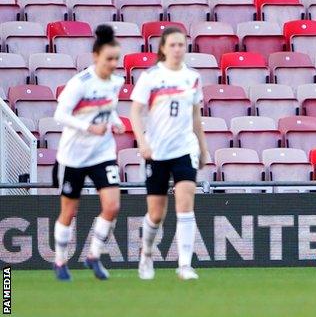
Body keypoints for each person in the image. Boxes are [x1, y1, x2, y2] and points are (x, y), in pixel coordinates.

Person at [130, 27, 208, 280]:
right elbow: (135, 112)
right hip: (157, 151)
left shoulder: (192, 77)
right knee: (156, 214)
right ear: (163, 48)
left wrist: (203, 148)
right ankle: (146, 254)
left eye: (181, 45)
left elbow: (196, 116)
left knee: (185, 203)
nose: (177, 49)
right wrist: (142, 142)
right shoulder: (151, 77)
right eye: (172, 45)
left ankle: (184, 265)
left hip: (184, 148)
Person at [52, 25, 125, 281]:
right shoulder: (79, 83)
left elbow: (107, 108)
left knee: (112, 206)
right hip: (74, 156)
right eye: (109, 59)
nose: (113, 64)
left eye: (116, 59)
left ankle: (93, 255)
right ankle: (60, 260)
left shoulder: (117, 81)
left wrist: (115, 120)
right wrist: (88, 127)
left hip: (102, 153)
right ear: (95, 57)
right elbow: (59, 115)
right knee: (69, 212)